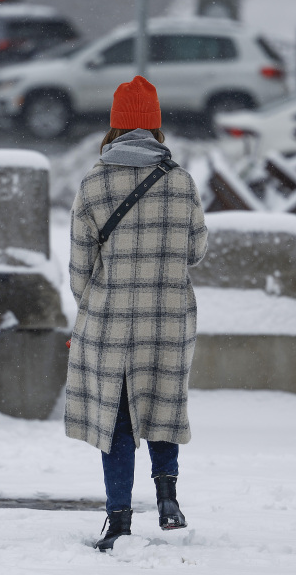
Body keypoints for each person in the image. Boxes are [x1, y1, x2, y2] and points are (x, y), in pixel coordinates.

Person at [65, 76, 209, 551]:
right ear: (154, 128)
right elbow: (196, 251)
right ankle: (168, 499)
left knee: (118, 420)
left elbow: (79, 271)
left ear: (115, 127)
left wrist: (100, 302)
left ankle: (119, 520)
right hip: (168, 316)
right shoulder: (181, 182)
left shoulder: (93, 184)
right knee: (163, 401)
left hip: (111, 320)